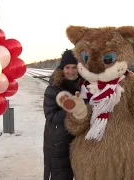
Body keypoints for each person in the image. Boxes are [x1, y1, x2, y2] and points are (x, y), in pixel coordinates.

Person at [43, 49, 80, 180]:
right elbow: (50, 116)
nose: (71, 71)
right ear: (62, 68)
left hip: (78, 142)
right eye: (67, 67)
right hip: (58, 144)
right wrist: (72, 109)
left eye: (74, 67)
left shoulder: (83, 86)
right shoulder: (53, 88)